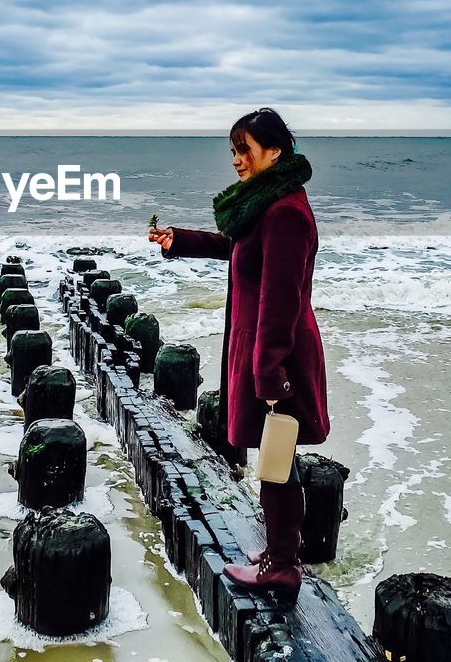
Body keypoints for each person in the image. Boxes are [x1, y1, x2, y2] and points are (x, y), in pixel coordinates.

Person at [148, 108, 330, 603]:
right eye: (233, 150)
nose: (236, 160)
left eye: (244, 149)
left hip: (279, 353)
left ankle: (282, 566)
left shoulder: (286, 213)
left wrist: (269, 373)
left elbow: (282, 299)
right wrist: (178, 240)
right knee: (278, 456)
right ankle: (278, 553)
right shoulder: (266, 206)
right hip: (265, 349)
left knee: (277, 458)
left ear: (274, 151)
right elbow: (236, 246)